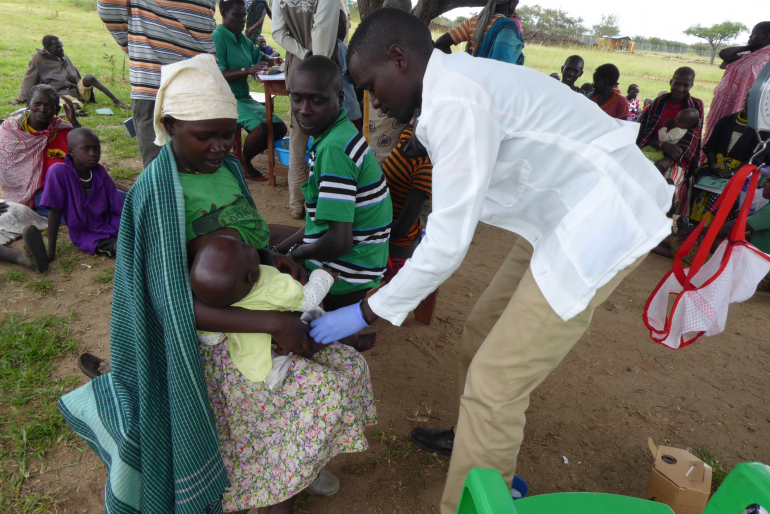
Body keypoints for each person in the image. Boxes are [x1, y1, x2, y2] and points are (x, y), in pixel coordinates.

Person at [313, 9, 673, 514]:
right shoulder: (447, 91)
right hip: (561, 212)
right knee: (481, 331)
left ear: (400, 58)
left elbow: (446, 243)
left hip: (602, 218)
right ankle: (477, 445)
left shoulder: (457, 100)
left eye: (373, 84)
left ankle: (472, 503)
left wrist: (365, 311)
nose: (376, 100)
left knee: (497, 382)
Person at [59, 54, 376, 514]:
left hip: (261, 316)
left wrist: (270, 257)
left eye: (228, 134)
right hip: (213, 342)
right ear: (169, 126)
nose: (221, 147)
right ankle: (272, 489)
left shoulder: (226, 172)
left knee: (345, 370)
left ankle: (289, 465)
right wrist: (271, 323)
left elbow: (239, 235)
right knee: (318, 392)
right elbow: (169, 304)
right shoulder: (158, 193)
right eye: (205, 136)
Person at [273, 56, 391, 350]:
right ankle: (346, 335)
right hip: (364, 255)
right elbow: (320, 220)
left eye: (316, 100)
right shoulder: (333, 133)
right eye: (297, 99)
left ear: (340, 99)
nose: (304, 110)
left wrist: (295, 253)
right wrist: (285, 247)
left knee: (270, 269)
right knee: (273, 242)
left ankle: (344, 338)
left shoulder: (334, 149)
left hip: (350, 268)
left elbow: (339, 242)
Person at [190, 235, 336, 382]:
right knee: (315, 332)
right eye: (243, 244)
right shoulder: (271, 285)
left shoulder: (221, 303)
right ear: (251, 276)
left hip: (252, 361)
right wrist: (324, 275)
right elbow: (309, 299)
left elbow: (213, 339)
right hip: (286, 343)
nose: (247, 242)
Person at [98, 0, 218, 168]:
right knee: (180, 171)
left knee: (173, 173)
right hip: (180, 85)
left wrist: (137, 47)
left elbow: (109, 10)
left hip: (175, 83)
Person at [272, 0, 341, 219]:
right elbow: (322, 31)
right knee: (329, 139)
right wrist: (317, 64)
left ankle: (296, 205)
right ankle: (326, 205)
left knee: (297, 138)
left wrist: (303, 53)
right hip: (323, 72)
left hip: (297, 70)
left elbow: (277, 32)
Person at [214, 0, 288, 181]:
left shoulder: (242, 39)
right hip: (226, 98)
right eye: (237, 16)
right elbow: (219, 73)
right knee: (260, 129)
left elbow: (262, 57)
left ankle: (245, 157)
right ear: (223, 14)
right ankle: (245, 162)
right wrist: (246, 70)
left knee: (279, 127)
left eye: (244, 17)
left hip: (243, 97)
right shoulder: (218, 37)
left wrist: (283, 62)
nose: (242, 21)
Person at [39, 128, 125, 261]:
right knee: (117, 246)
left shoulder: (99, 172)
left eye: (97, 149)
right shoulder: (59, 172)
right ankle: (122, 246)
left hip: (108, 221)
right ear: (71, 151)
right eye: (86, 149)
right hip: (86, 231)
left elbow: (117, 206)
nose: (93, 154)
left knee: (137, 232)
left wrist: (131, 224)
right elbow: (54, 211)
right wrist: (51, 251)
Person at [673, 179, 770, 292]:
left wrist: (697, 230)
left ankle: (668, 243)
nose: (767, 185)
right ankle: (670, 244)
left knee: (704, 243)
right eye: (768, 180)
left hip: (759, 273)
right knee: (707, 241)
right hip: (757, 264)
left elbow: (736, 226)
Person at [686, 100, 770, 224]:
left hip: (744, 172)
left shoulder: (764, 130)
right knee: (697, 187)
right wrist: (715, 167)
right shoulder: (726, 120)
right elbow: (711, 148)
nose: (749, 101)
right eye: (748, 97)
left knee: (720, 197)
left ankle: (710, 232)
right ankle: (691, 226)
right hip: (715, 167)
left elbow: (754, 159)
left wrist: (731, 174)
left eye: (755, 98)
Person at [0, 85, 79, 212]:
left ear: (56, 110)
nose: (42, 109)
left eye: (49, 106)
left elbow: (84, 153)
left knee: (111, 195)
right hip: (36, 195)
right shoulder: (10, 131)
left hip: (70, 187)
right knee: (80, 208)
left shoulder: (63, 131)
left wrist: (74, 121)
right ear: (28, 104)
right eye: (37, 104)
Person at [636, 67, 704, 216]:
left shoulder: (696, 106)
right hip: (653, 148)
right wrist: (663, 145)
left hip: (679, 155)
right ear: (670, 82)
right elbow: (645, 134)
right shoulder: (658, 103)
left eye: (685, 85)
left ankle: (665, 222)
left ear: (691, 86)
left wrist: (668, 158)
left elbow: (693, 137)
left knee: (669, 184)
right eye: (676, 83)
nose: (680, 89)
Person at [703, 22, 770, 155]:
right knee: (713, 137)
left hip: (741, 109)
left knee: (728, 141)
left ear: (767, 36)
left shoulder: (767, 59)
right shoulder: (746, 56)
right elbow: (724, 55)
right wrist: (749, 46)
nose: (750, 36)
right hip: (721, 106)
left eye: (754, 33)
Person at [13, 35, 129, 111]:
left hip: (76, 89)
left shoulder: (61, 56)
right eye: (58, 47)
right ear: (47, 47)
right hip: (60, 93)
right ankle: (74, 110)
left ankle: (117, 101)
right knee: (72, 105)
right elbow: (29, 78)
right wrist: (21, 98)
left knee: (89, 77)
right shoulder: (38, 59)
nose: (62, 50)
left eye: (62, 47)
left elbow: (75, 74)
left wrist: (81, 86)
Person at [380, 124, 432, 282]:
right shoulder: (406, 136)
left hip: (397, 247)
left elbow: (401, 229)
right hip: (383, 234)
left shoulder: (425, 167)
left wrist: (365, 229)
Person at [434, 0, 524, 65]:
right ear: (511, 2)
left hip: (474, 79)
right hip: (494, 85)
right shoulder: (509, 25)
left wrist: (454, 67)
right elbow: (503, 63)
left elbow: (440, 43)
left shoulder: (474, 21)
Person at [337, 9, 363, 130]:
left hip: (336, 113)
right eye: (344, 24)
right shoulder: (340, 47)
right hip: (349, 112)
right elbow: (353, 76)